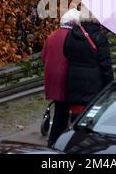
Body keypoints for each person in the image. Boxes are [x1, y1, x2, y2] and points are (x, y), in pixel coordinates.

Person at [63, 7, 114, 120]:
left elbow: (66, 52)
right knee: (92, 114)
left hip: (73, 79)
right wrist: (110, 84)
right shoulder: (99, 37)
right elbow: (105, 64)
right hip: (93, 82)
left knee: (76, 114)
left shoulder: (71, 34)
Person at [41, 8, 80, 148]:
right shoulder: (73, 37)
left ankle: (54, 139)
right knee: (62, 114)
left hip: (52, 79)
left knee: (59, 108)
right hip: (66, 79)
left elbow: (43, 57)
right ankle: (56, 141)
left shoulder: (51, 36)